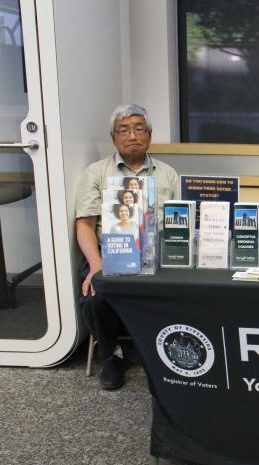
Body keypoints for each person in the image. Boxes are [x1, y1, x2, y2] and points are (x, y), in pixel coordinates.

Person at [75, 104, 179, 390]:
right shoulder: (96, 173)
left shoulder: (168, 173)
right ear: (113, 137)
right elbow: (84, 225)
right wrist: (96, 265)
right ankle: (111, 355)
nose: (132, 135)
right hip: (109, 252)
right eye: (124, 130)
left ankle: (162, 355)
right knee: (94, 296)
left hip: (157, 254)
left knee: (180, 290)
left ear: (149, 135)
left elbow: (179, 220)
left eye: (139, 128)